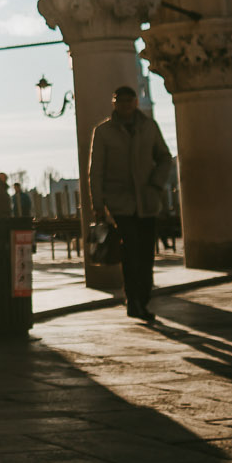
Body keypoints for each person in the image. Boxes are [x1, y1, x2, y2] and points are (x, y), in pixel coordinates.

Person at [87, 85, 174, 323]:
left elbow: (165, 157)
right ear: (114, 103)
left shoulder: (149, 127)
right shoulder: (103, 132)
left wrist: (156, 183)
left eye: (128, 100)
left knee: (146, 253)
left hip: (147, 201)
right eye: (119, 100)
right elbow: (96, 172)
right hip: (120, 203)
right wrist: (98, 204)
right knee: (131, 251)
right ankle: (134, 300)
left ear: (135, 102)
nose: (124, 104)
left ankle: (141, 297)